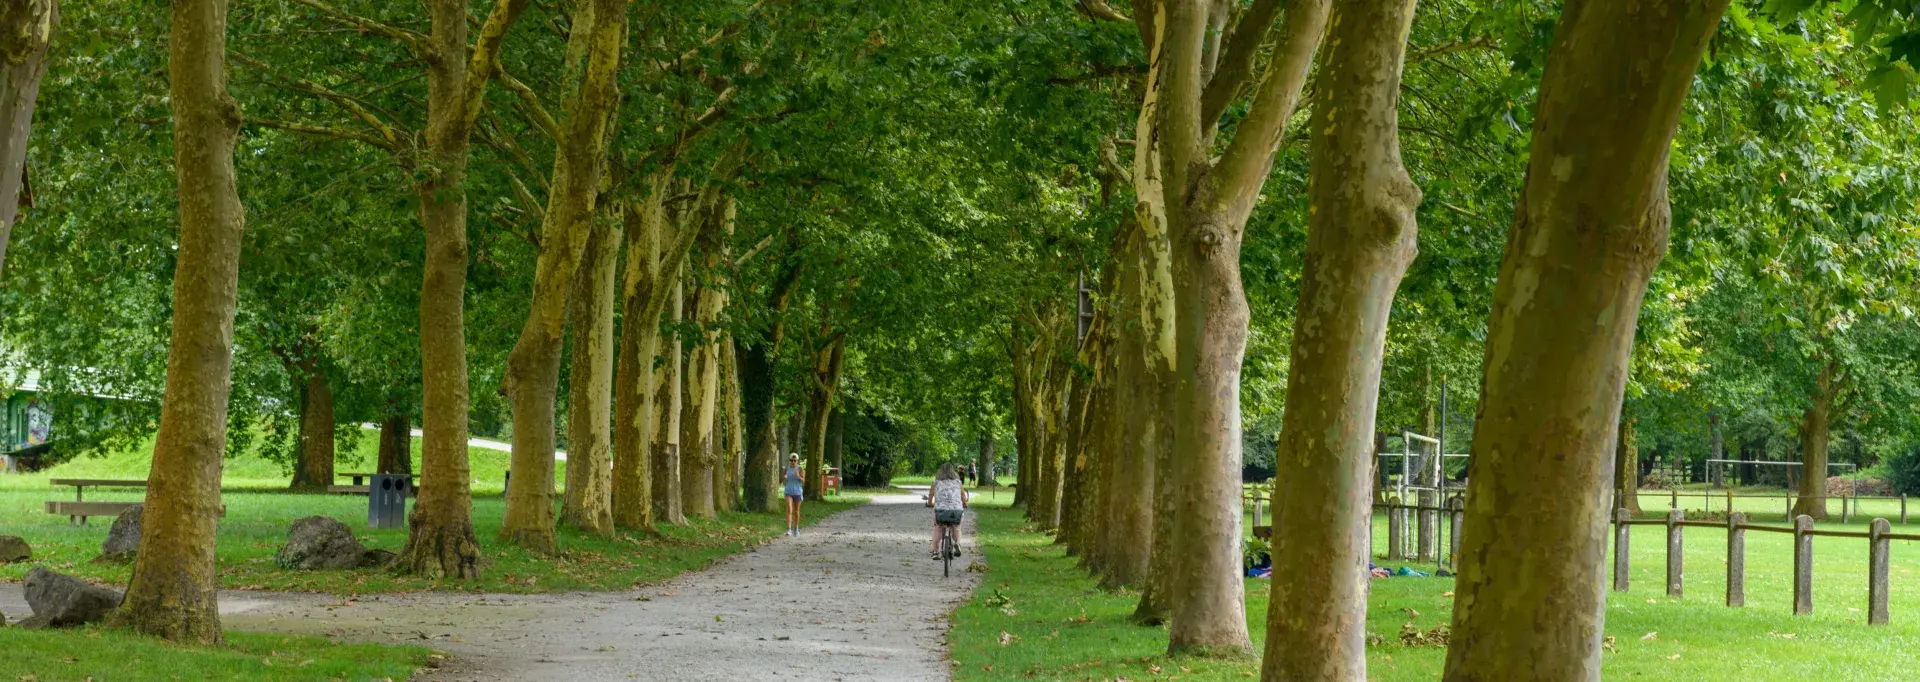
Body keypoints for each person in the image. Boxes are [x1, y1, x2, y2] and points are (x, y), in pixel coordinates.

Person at [928, 463, 968, 559]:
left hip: (940, 511)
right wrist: (964, 504)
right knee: (957, 527)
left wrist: (930, 503)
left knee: (938, 527)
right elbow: (963, 496)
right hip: (956, 511)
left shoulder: (935, 482)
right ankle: (957, 543)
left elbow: (930, 495)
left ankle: (936, 552)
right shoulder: (958, 482)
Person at [784, 453, 805, 537]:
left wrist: (798, 476)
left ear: (797, 460)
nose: (793, 462)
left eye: (794, 460)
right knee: (789, 509)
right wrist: (784, 478)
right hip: (788, 491)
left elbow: (803, 481)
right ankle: (789, 529)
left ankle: (796, 528)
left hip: (797, 492)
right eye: (791, 460)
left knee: (796, 511)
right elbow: (784, 481)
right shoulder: (786, 468)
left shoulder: (800, 468)